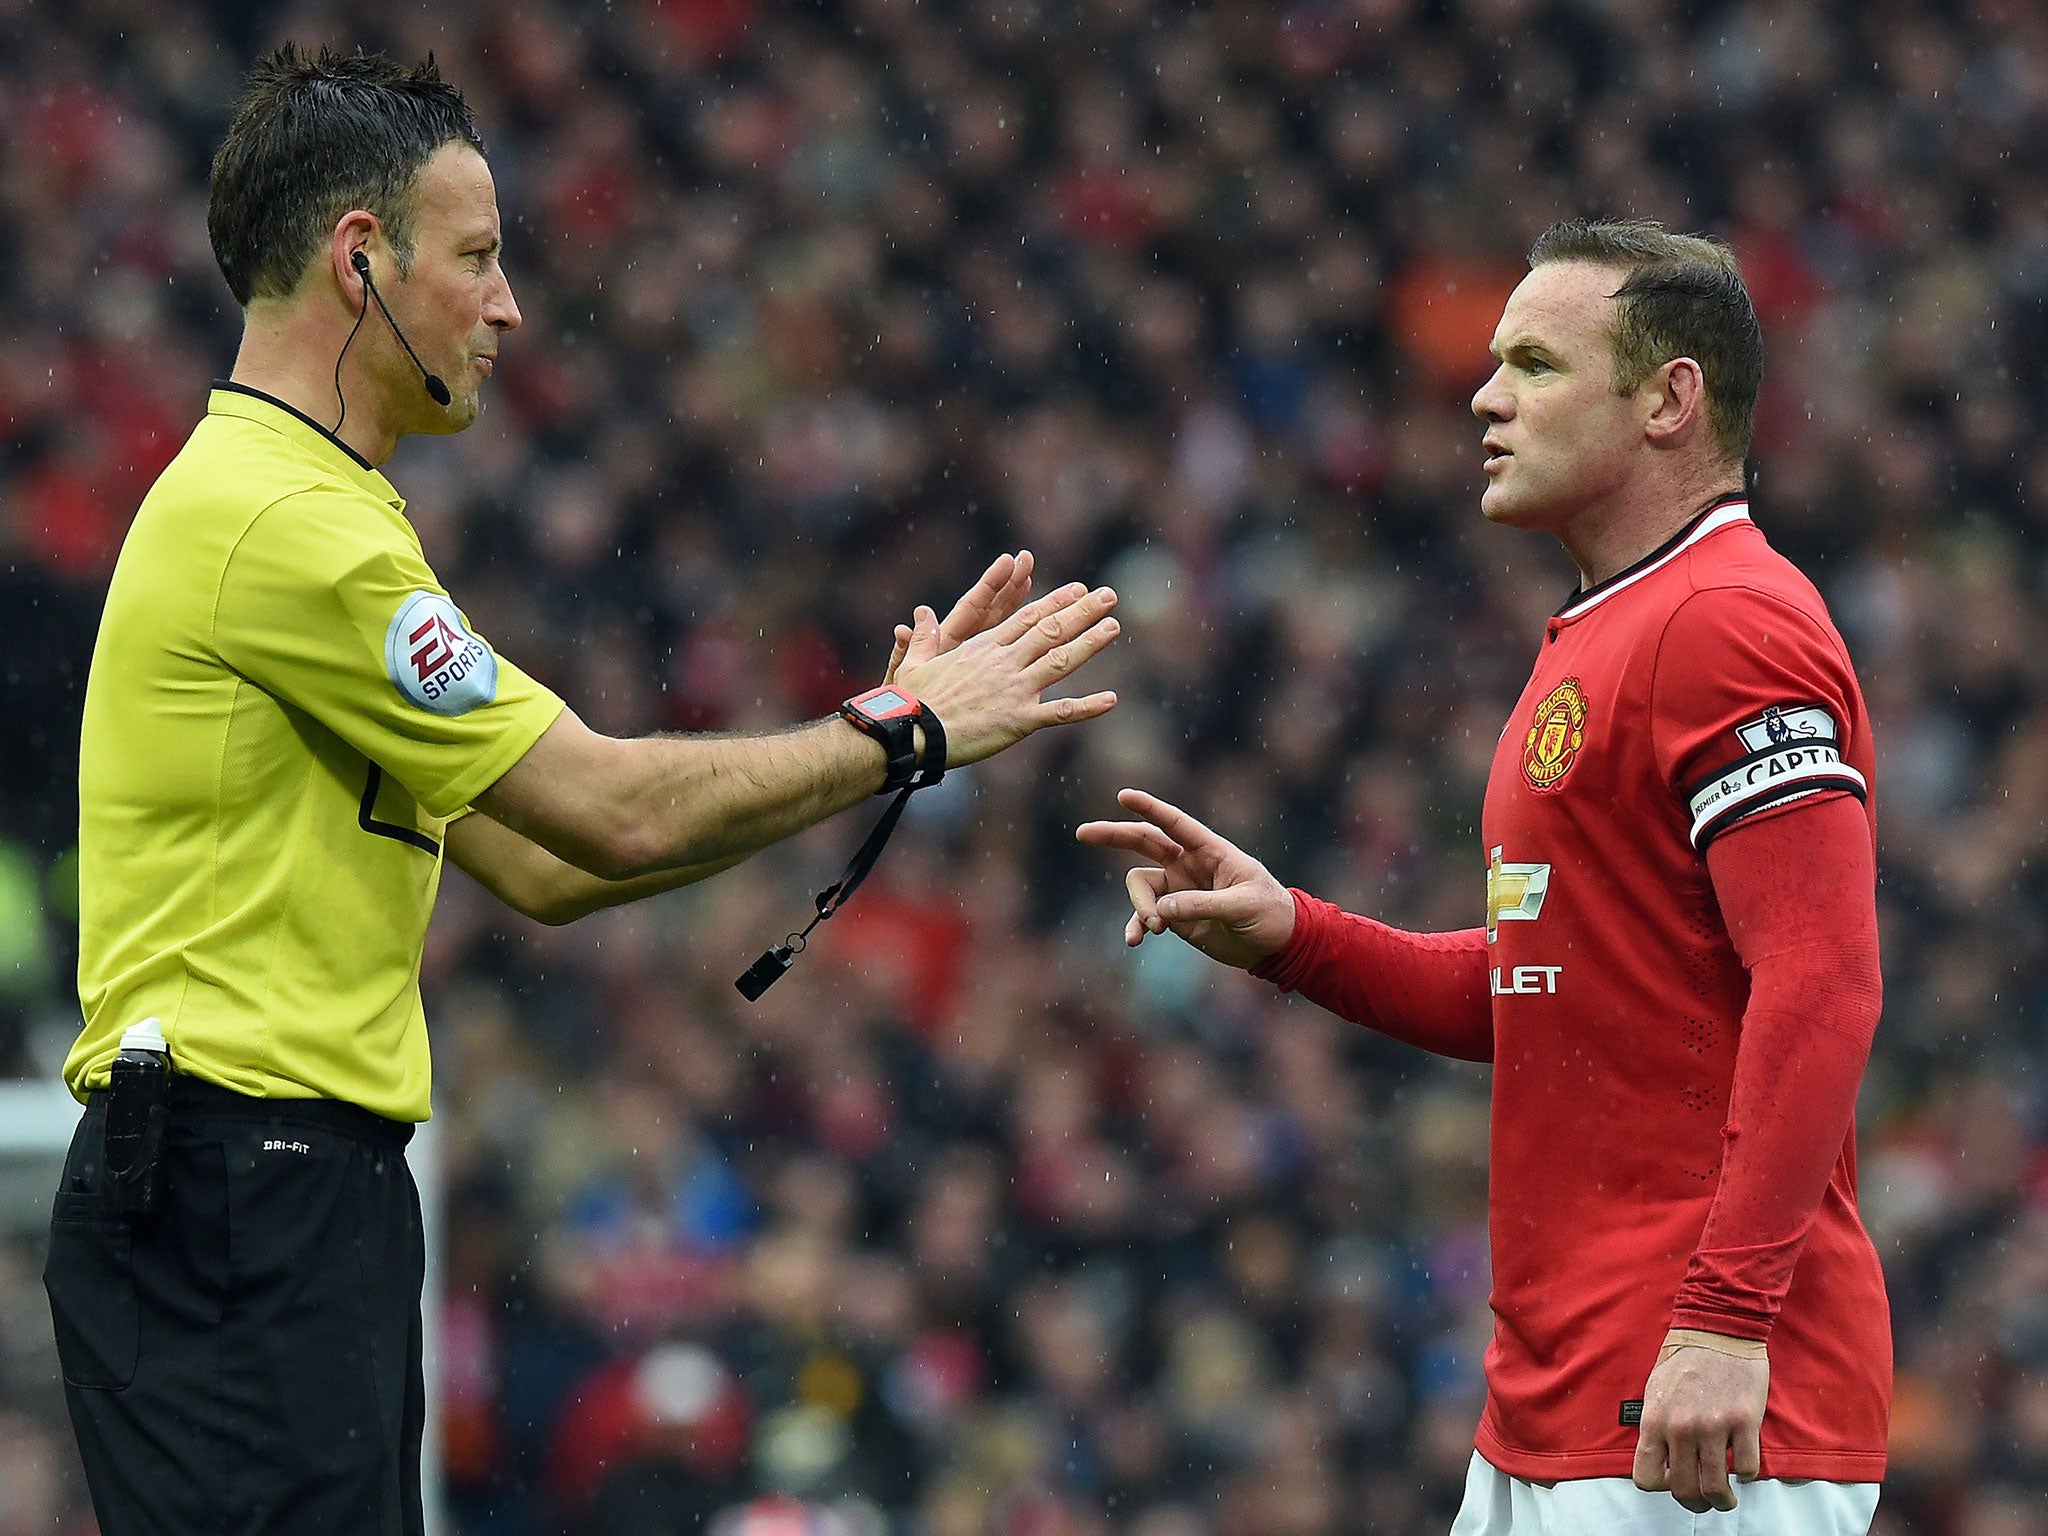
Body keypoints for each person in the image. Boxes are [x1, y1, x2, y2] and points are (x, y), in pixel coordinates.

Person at [44, 45, 1120, 1536]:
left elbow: (552, 866)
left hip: (278, 1187)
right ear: (361, 261)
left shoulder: (312, 515)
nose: (509, 306)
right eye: (478, 258)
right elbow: (605, 807)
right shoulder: (285, 527)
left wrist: (875, 741)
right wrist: (897, 728)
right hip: (244, 1176)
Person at [1079, 219, 1888, 1534]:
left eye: (1536, 364)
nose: (1484, 394)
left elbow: (1825, 980)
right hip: (1556, 1406)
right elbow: (1543, 981)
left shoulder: (1731, 623)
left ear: (1671, 399)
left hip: (1695, 1419)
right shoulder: (1611, 627)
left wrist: (1727, 1319)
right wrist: (1294, 933)